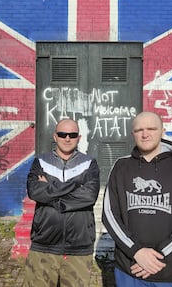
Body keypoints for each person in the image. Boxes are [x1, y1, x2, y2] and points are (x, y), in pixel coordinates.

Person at [102, 111, 172, 286]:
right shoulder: (121, 167)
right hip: (130, 268)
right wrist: (136, 252)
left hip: (170, 270)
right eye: (139, 129)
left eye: (151, 128)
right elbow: (109, 215)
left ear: (162, 131)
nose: (145, 134)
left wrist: (158, 257)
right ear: (132, 133)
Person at [23, 118, 100, 287]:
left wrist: (51, 190)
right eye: (62, 134)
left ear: (79, 138)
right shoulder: (40, 162)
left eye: (72, 135)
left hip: (79, 247)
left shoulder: (89, 163)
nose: (67, 138)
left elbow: (89, 196)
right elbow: (35, 191)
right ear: (55, 136)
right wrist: (76, 184)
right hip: (44, 244)